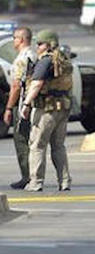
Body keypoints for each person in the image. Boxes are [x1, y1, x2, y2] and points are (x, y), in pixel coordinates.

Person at [20, 30, 72, 192]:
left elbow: (36, 84)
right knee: (58, 146)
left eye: (40, 43)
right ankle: (64, 181)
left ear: (49, 44)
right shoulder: (63, 59)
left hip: (46, 108)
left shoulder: (45, 61)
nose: (37, 46)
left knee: (37, 145)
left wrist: (26, 104)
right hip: (62, 107)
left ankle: (36, 182)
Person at [3, 27, 36, 189]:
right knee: (33, 142)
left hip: (22, 104)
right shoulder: (34, 55)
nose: (14, 41)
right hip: (34, 103)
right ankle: (35, 175)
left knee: (21, 140)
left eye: (15, 38)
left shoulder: (21, 59)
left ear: (22, 39)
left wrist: (9, 108)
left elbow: (16, 86)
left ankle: (27, 176)